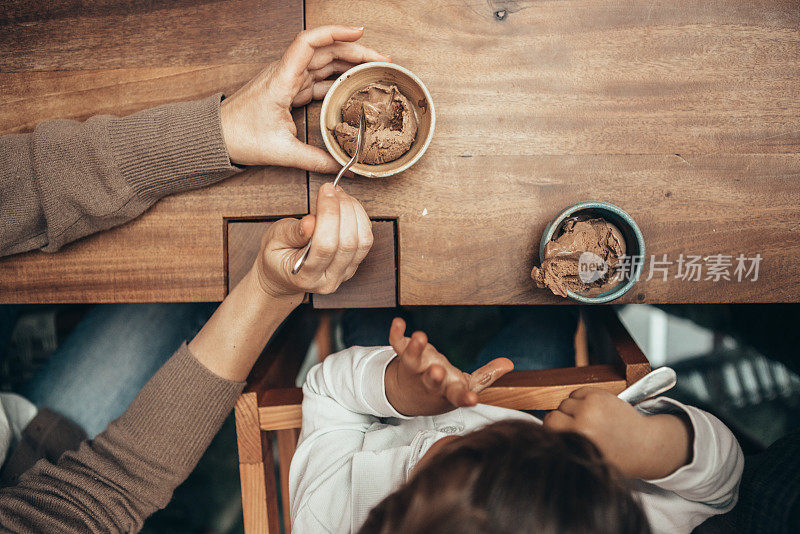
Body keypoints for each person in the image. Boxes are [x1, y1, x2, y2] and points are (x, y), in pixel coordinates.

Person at [0, 25, 383, 531]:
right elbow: (105, 490)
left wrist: (219, 130)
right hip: (43, 461)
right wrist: (267, 292)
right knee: (202, 278)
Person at [289, 317, 745, 533]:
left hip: (379, 409)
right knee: (540, 321)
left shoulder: (324, 517)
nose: (465, 431)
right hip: (530, 397)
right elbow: (721, 485)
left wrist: (395, 389)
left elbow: (327, 391)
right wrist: (649, 444)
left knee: (374, 312)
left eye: (451, 451)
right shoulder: (597, 519)